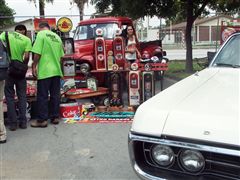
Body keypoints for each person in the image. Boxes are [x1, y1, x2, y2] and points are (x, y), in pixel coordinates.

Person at [30, 22, 64, 128]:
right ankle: (55, 117)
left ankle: (42, 120)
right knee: (55, 95)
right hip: (56, 71)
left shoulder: (41, 35)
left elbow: (37, 53)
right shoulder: (57, 37)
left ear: (40, 28)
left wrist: (34, 65)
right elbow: (62, 57)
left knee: (42, 96)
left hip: (45, 70)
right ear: (49, 28)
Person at [0, 24, 32, 131]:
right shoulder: (26, 40)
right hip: (20, 71)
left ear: (15, 30)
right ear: (24, 31)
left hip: (8, 70)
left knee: (9, 96)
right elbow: (27, 56)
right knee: (22, 96)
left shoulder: (5, 35)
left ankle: (13, 124)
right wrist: (23, 66)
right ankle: (23, 122)